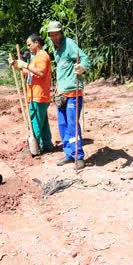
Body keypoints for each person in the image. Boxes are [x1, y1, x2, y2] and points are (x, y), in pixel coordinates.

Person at [46, 21, 90, 169]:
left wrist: (82, 67)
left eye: (56, 34)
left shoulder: (69, 43)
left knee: (72, 125)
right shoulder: (55, 48)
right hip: (61, 93)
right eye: (51, 35)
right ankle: (69, 154)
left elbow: (84, 58)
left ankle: (79, 156)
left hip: (73, 93)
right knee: (63, 125)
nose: (54, 37)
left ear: (61, 33)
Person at [12, 34, 54, 154]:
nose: (28, 47)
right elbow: (30, 73)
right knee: (43, 122)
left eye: (29, 44)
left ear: (37, 43)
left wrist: (25, 64)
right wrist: (16, 65)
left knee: (35, 121)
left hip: (39, 95)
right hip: (37, 95)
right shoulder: (35, 57)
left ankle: (35, 148)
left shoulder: (42, 56)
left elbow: (40, 72)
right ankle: (47, 144)